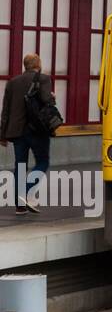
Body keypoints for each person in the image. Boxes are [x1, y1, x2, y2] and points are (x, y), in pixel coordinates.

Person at [0, 54, 55, 215]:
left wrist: (2, 135)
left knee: (20, 166)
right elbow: (46, 100)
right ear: (38, 64)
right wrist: (52, 97)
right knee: (43, 161)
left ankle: (20, 206)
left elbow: (6, 110)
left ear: (25, 65)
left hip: (17, 131)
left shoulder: (12, 82)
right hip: (37, 130)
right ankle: (27, 190)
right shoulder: (44, 79)